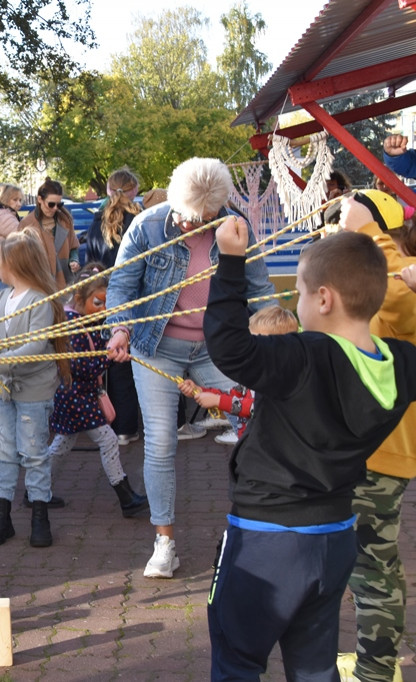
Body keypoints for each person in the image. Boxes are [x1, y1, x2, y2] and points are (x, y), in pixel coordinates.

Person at [203, 216, 416, 681]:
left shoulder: (304, 356)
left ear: (324, 298)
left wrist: (231, 263)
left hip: (266, 541)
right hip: (334, 540)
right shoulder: (400, 367)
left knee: (237, 658)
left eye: (299, 292)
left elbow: (229, 346)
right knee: (314, 666)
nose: (297, 304)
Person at [105, 157, 275, 579]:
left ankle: (263, 528)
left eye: (202, 219)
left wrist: (281, 337)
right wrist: (120, 329)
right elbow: (122, 286)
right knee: (161, 441)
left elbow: (259, 289)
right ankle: (164, 544)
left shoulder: (236, 228)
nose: (189, 225)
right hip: (157, 347)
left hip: (218, 348)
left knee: (266, 416)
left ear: (219, 210)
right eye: (184, 216)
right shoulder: (146, 226)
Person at [335, 190, 416, 682]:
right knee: (370, 565)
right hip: (371, 448)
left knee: (373, 570)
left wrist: (366, 229)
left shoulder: (403, 281)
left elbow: (390, 296)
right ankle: (375, 662)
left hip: (382, 452)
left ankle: (376, 672)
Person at [0, 229, 70, 548]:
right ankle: (1, 517)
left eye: (0, 261)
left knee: (33, 454)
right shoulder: (2, 298)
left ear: (14, 264)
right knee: (3, 452)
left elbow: (35, 345)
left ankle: (39, 517)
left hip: (33, 391)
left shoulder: (40, 301)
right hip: (2, 391)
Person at [45, 264, 147, 518]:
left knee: (63, 442)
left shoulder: (83, 321)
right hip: (76, 395)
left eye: (106, 303)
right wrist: (107, 358)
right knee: (108, 440)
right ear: (79, 299)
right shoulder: (75, 325)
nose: (103, 309)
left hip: (77, 394)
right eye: (98, 302)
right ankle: (125, 496)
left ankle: (36, 488)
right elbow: (81, 365)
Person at [178, 305, 299, 445]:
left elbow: (256, 407)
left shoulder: (280, 377)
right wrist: (201, 391)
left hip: (274, 450)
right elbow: (234, 395)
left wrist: (217, 401)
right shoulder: (253, 372)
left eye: (256, 344)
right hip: (252, 447)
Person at [85, 168, 143, 446]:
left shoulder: (97, 223)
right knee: (138, 362)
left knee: (114, 362)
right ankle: (133, 424)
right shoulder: (141, 221)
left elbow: (92, 266)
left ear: (108, 191)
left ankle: (121, 426)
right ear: (134, 190)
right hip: (138, 298)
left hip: (104, 299)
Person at [19, 177, 79, 291]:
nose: (55, 208)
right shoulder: (26, 224)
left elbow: (73, 247)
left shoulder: (66, 221)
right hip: (39, 286)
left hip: (65, 284)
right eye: (51, 204)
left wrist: (74, 260)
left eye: (59, 204)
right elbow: (21, 260)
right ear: (40, 200)